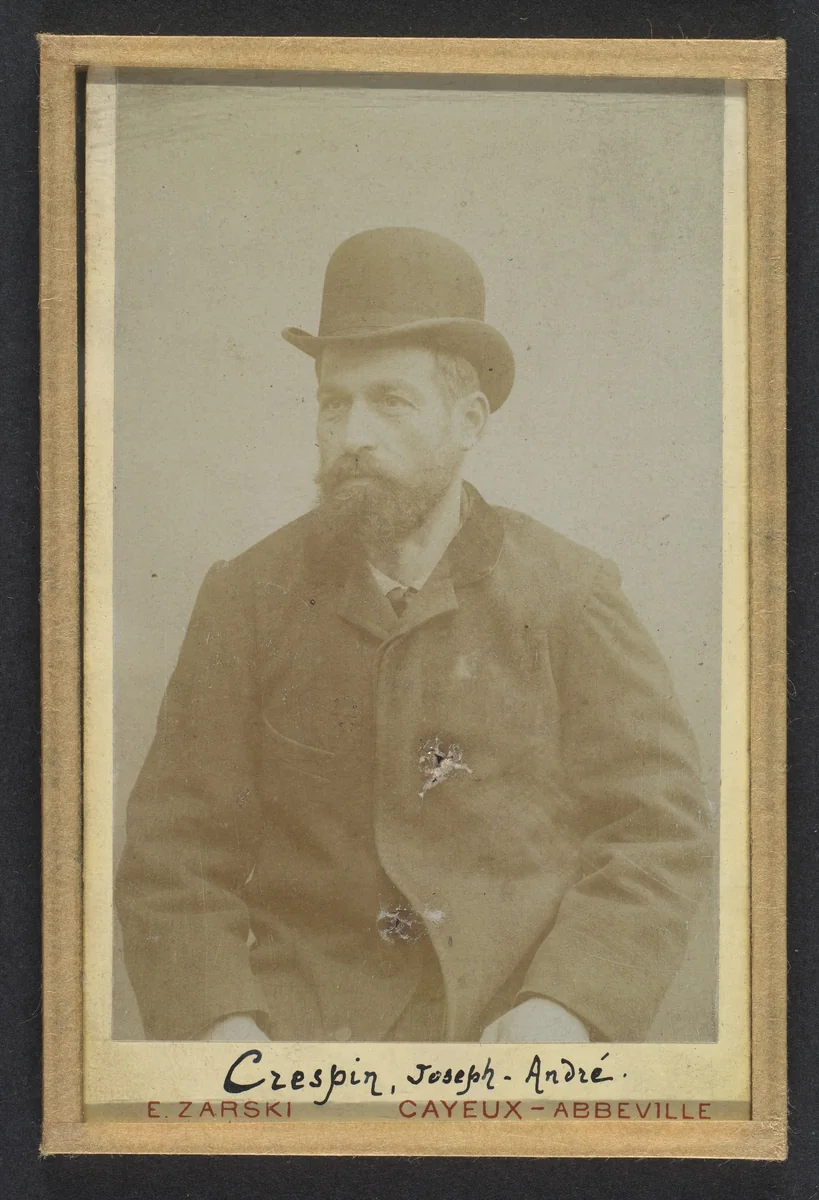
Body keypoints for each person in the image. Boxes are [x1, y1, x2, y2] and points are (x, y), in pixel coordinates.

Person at [116, 227, 711, 1045]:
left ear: (468, 422)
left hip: (511, 1024)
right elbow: (175, 852)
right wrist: (220, 1023)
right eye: (334, 402)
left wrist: (568, 1005)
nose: (353, 433)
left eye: (390, 401)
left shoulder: (568, 593)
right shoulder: (248, 597)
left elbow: (656, 829)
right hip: (300, 1034)